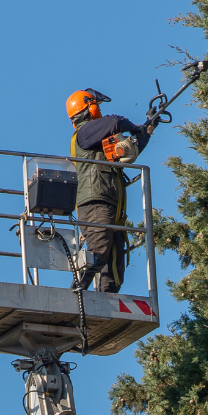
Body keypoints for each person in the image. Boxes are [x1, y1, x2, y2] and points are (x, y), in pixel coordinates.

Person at [66, 88, 154, 293]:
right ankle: (74, 295)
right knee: (98, 252)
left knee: (114, 269)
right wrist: (134, 127)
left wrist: (149, 128)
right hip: (96, 202)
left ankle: (106, 300)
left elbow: (131, 150)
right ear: (88, 107)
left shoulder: (98, 138)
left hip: (112, 207)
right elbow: (115, 121)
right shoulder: (85, 132)